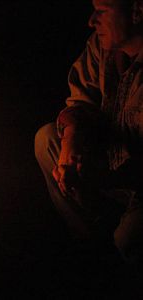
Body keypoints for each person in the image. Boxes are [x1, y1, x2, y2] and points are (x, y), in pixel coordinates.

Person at [35, 0, 143, 263]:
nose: (91, 20)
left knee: (128, 238)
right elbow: (82, 102)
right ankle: (92, 247)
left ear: (137, 11)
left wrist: (99, 174)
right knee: (47, 140)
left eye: (102, 11)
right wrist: (71, 143)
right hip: (109, 161)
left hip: (139, 180)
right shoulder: (102, 46)